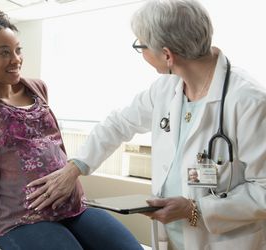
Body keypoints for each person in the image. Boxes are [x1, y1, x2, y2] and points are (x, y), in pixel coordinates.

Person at [26, 0, 266, 249]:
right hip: (172, 237)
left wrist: (195, 208)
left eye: (140, 45)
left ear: (167, 54)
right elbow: (118, 123)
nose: (141, 52)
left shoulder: (248, 101)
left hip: (225, 241)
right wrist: (75, 167)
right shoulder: (166, 88)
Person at [0, 6, 143, 250]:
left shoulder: (37, 87)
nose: (16, 59)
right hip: (21, 217)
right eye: (4, 53)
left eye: (18, 50)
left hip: (72, 206)